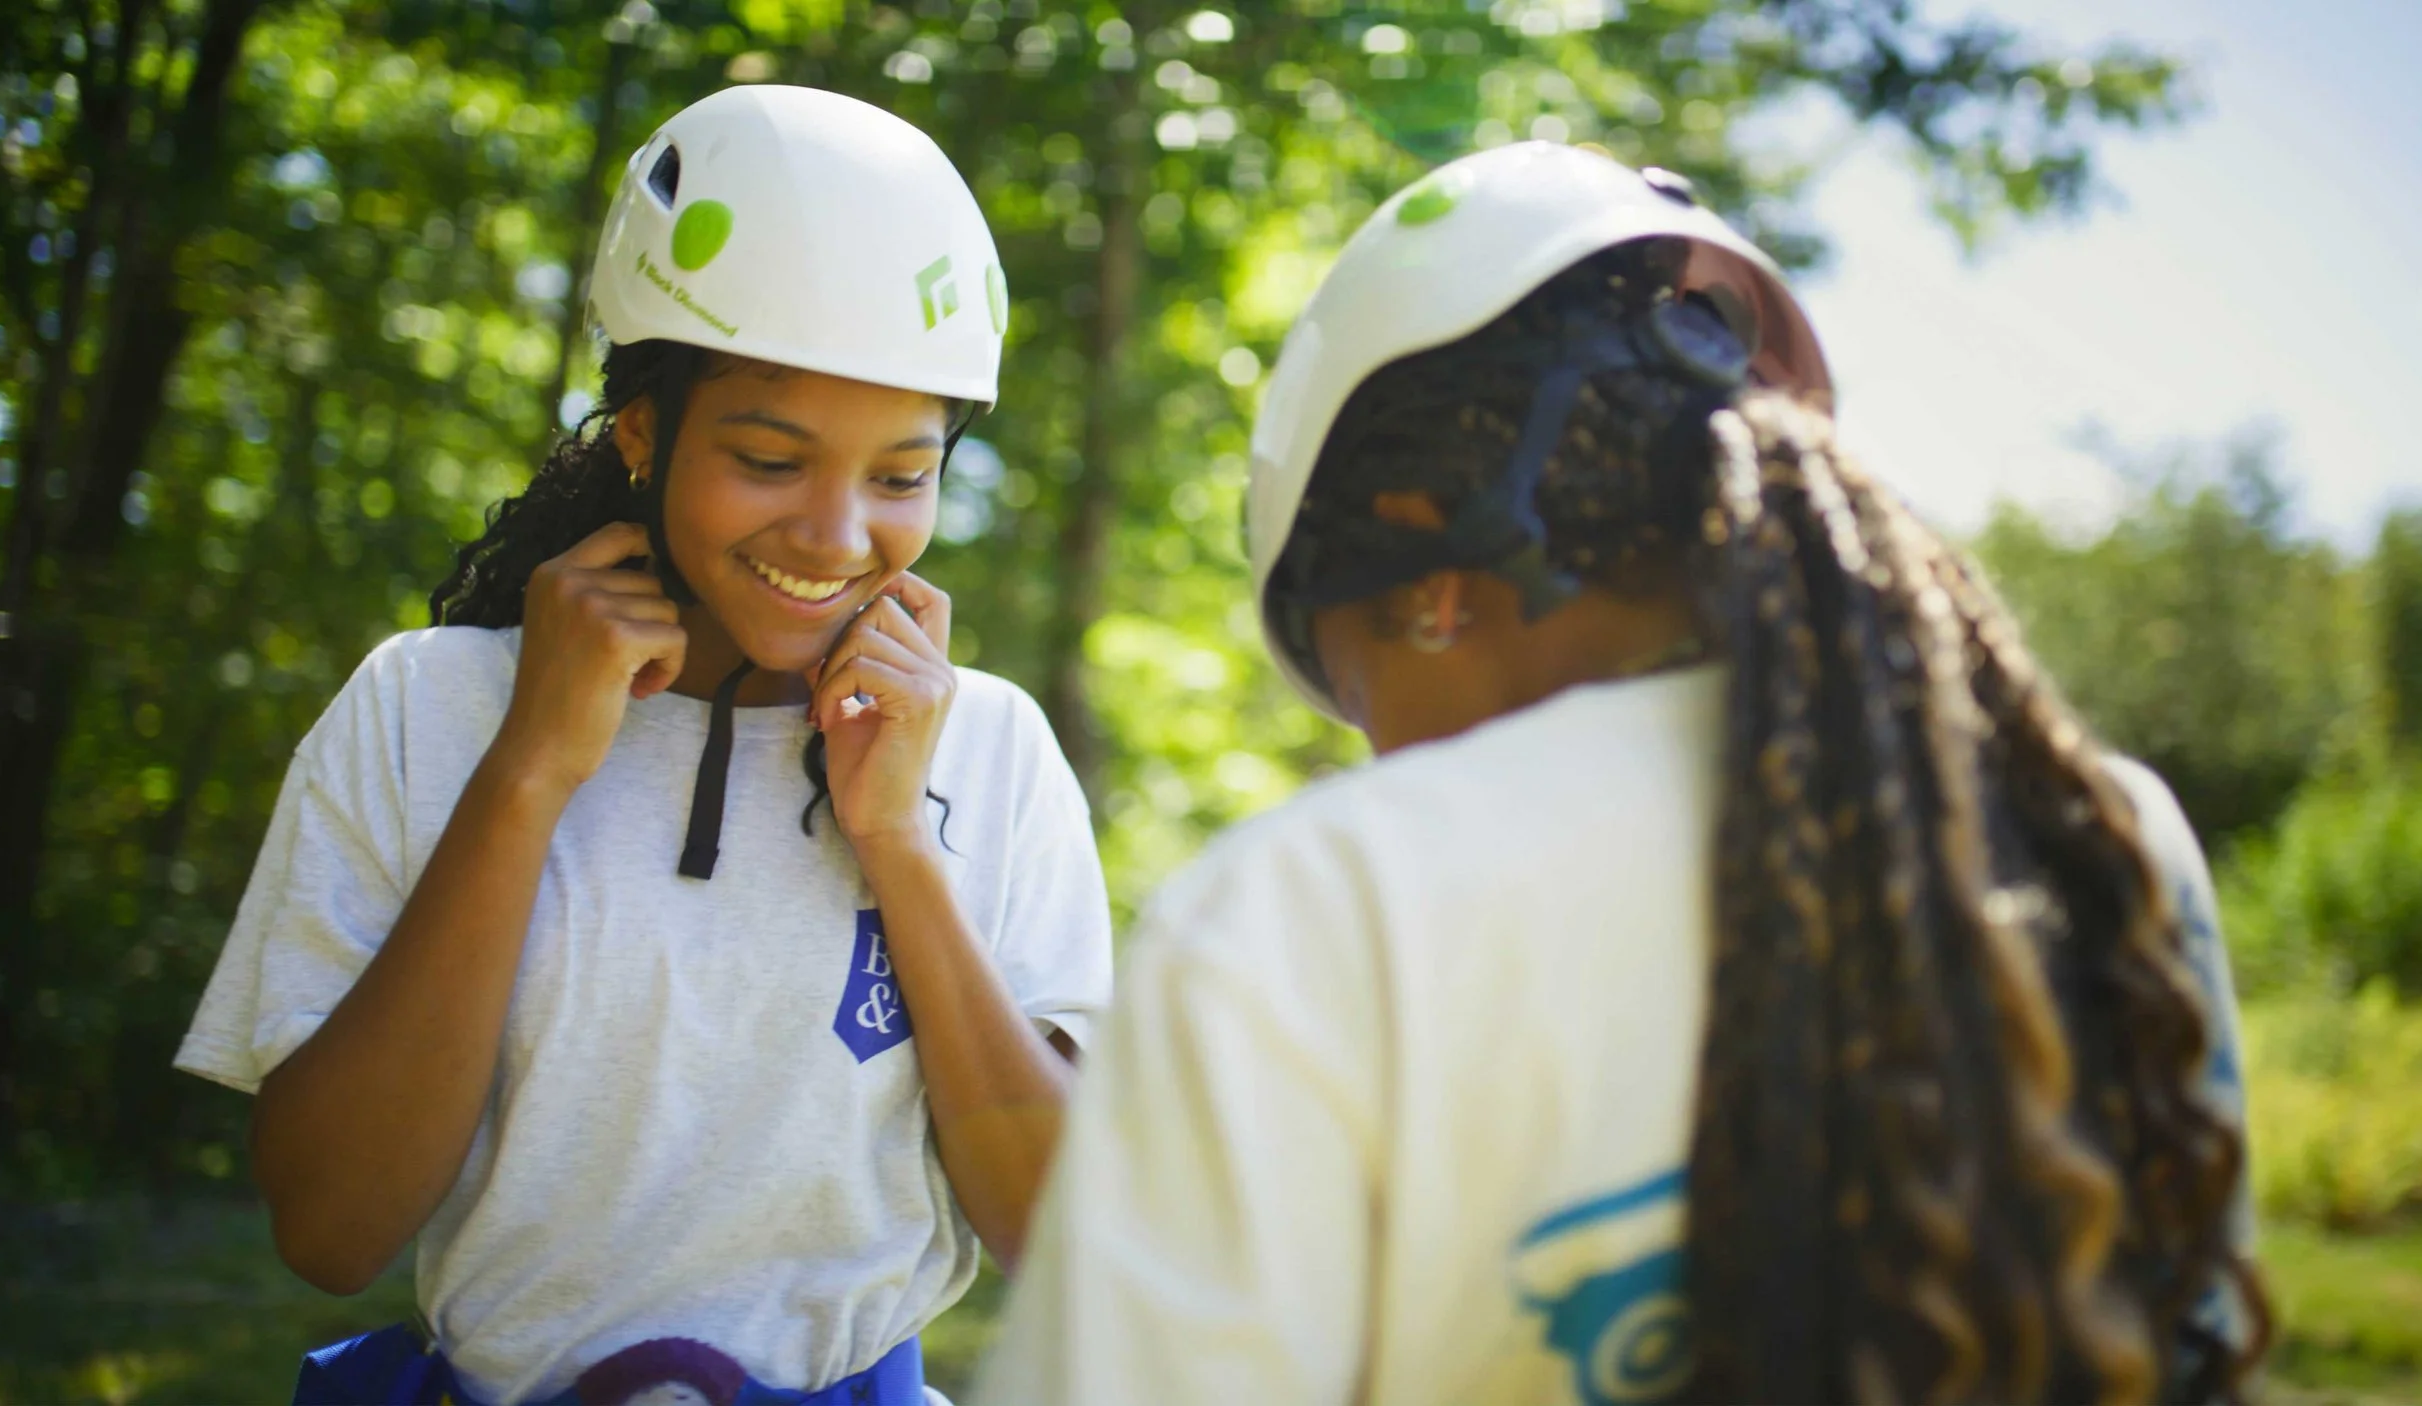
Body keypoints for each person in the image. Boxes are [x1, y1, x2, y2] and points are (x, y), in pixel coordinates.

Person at [974, 142, 2263, 1405]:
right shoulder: (2097, 830)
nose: (1383, 759)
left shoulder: (1321, 909)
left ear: (1424, 571)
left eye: (1354, 688)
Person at [175, 86, 1111, 1405]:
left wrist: (900, 838)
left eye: (901, 475)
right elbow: (330, 1230)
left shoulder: (991, 751)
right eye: (771, 458)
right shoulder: (422, 707)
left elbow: (1053, 1237)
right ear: (640, 433)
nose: (839, 535)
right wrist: (531, 769)